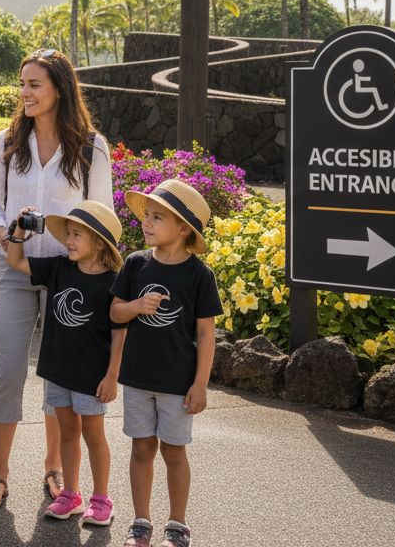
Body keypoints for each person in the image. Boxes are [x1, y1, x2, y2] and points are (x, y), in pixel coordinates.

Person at [0, 48, 112, 508]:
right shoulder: (7, 141)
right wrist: (3, 232)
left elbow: (102, 215)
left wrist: (85, 256)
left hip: (70, 277)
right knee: (8, 370)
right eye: (22, 84)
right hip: (13, 266)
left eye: (35, 84)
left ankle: (55, 468)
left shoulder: (91, 147)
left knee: (61, 374)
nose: (25, 93)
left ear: (60, 89)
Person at [109, 179, 219, 547]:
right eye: (147, 216)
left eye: (158, 217)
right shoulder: (135, 264)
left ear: (184, 228)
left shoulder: (199, 275)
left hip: (178, 381)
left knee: (174, 451)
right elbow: (115, 312)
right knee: (141, 447)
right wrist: (137, 307)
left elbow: (206, 333)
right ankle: (141, 522)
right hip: (138, 378)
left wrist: (200, 383)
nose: (147, 222)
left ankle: (177, 525)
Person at [2, 201, 124, 527]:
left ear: (99, 242)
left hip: (92, 376)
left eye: (77, 235)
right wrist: (18, 230)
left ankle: (102, 498)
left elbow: (119, 335)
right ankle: (71, 494)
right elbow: (15, 260)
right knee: (68, 432)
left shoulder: (113, 282)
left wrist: (112, 376)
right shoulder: (58, 267)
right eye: (68, 234)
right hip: (57, 371)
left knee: (94, 436)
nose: (68, 240)